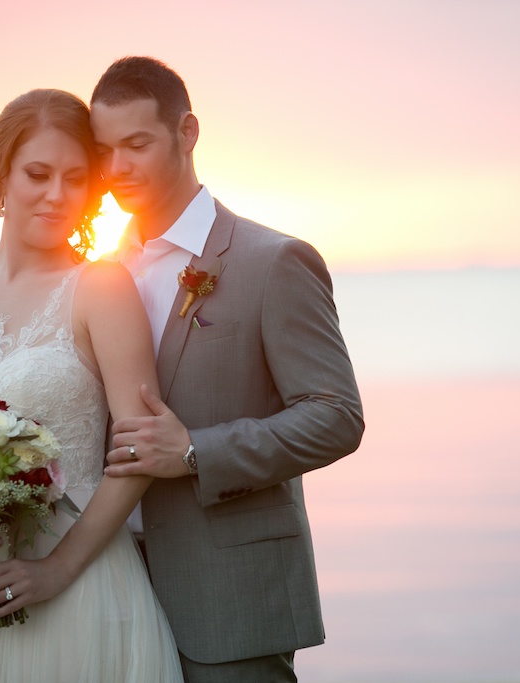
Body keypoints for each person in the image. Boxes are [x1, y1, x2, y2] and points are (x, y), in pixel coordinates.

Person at [0, 88, 183, 683]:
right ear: (0, 178)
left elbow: (137, 453)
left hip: (79, 582)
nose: (56, 195)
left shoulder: (101, 287)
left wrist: (55, 571)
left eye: (75, 178)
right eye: (37, 174)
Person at [91, 57, 365, 682]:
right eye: (104, 150)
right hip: (111, 593)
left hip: (231, 598)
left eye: (137, 144)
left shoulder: (274, 262)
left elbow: (336, 417)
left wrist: (195, 453)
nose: (117, 170)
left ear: (187, 133)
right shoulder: (99, 276)